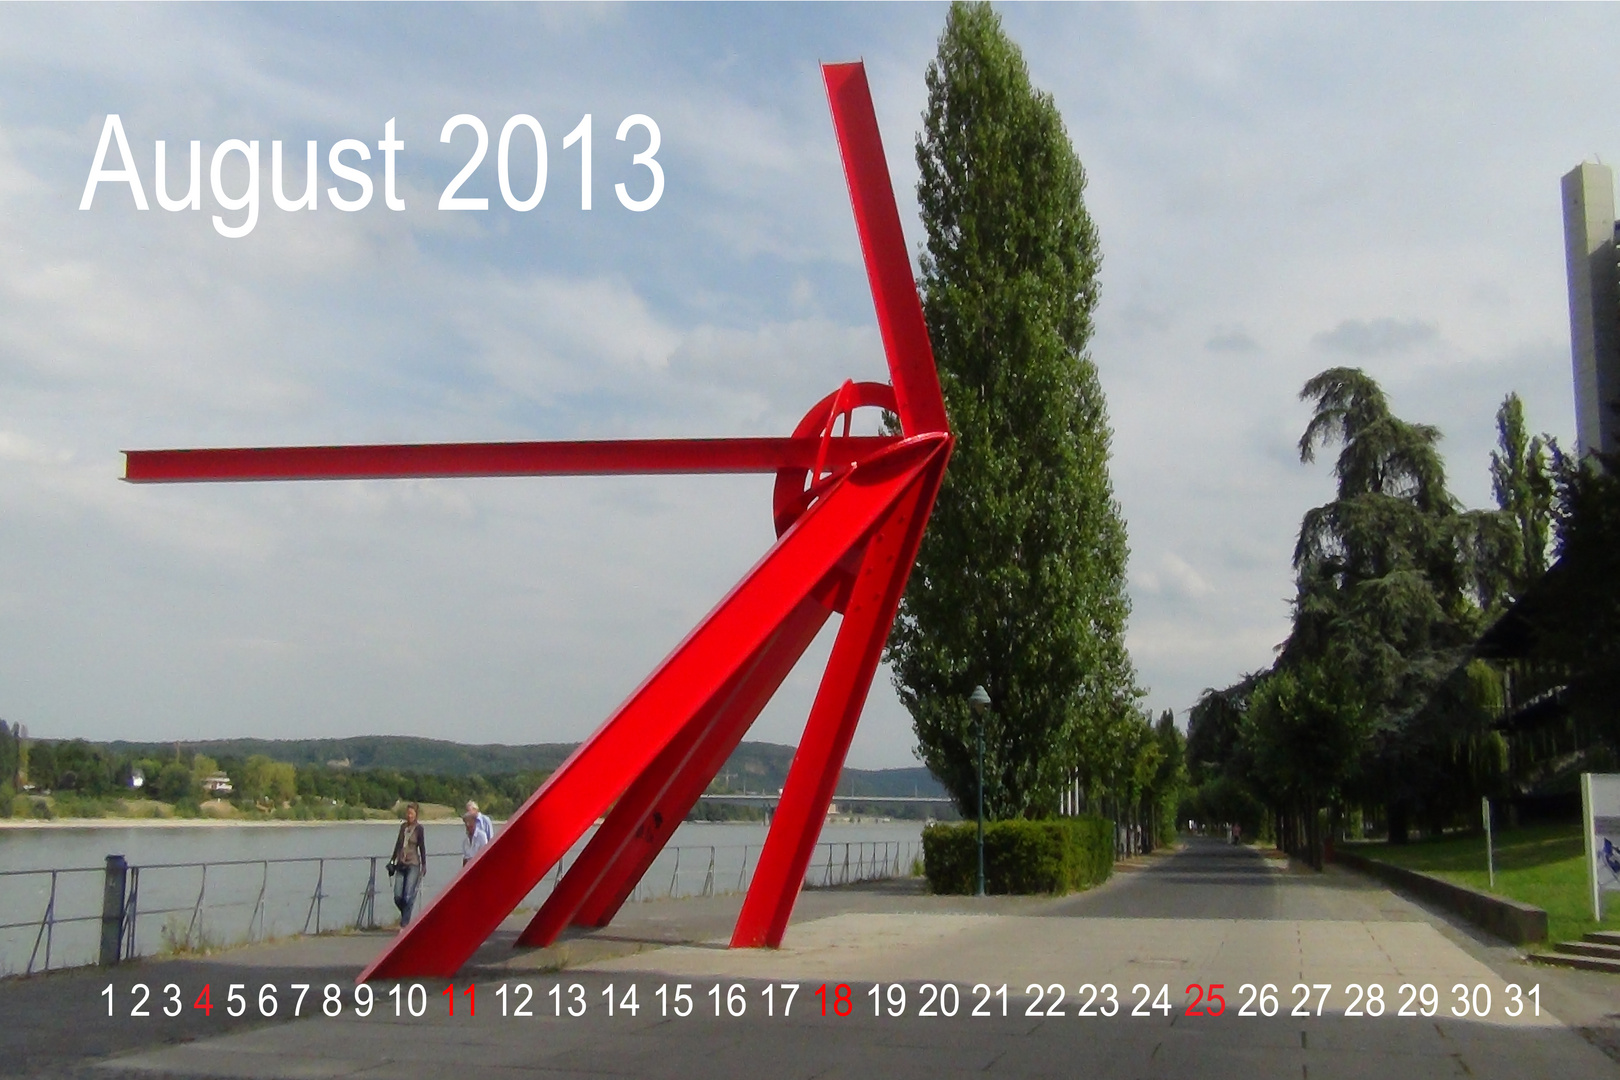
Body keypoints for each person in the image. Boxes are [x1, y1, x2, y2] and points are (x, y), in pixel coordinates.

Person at [390, 803, 427, 928]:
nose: (409, 815)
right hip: (401, 863)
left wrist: (424, 864)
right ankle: (406, 915)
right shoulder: (403, 827)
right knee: (397, 896)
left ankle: (404, 924)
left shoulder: (419, 829)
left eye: (411, 813)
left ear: (416, 815)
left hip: (413, 864)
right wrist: (392, 861)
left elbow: (422, 847)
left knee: (407, 895)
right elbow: (398, 845)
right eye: (407, 813)